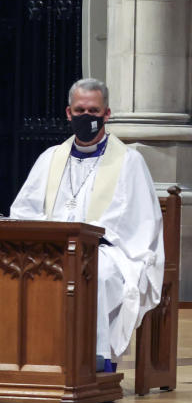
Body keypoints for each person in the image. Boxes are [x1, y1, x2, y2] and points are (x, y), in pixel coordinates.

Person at [9, 78, 164, 369]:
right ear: (69, 113)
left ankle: (93, 361)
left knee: (95, 272)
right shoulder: (50, 159)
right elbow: (23, 211)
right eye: (80, 111)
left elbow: (142, 223)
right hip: (52, 247)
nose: (86, 118)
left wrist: (91, 235)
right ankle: (32, 357)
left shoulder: (130, 162)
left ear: (107, 114)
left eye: (93, 112)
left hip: (108, 252)